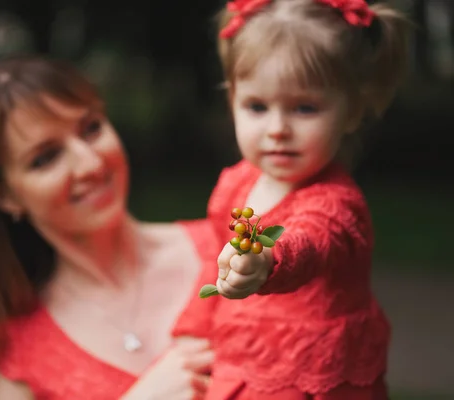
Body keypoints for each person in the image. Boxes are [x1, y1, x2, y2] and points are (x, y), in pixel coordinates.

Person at [0, 55, 217, 400]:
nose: (90, 164)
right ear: (4, 196)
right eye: (46, 158)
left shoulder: (231, 252)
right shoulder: (15, 354)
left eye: (91, 129)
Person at [172, 0, 412, 399]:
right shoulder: (235, 184)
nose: (278, 129)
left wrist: (267, 260)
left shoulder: (337, 202)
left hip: (312, 374)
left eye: (304, 108)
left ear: (351, 111)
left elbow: (310, 242)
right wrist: (193, 328)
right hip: (243, 358)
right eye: (257, 106)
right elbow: (215, 263)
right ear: (232, 101)